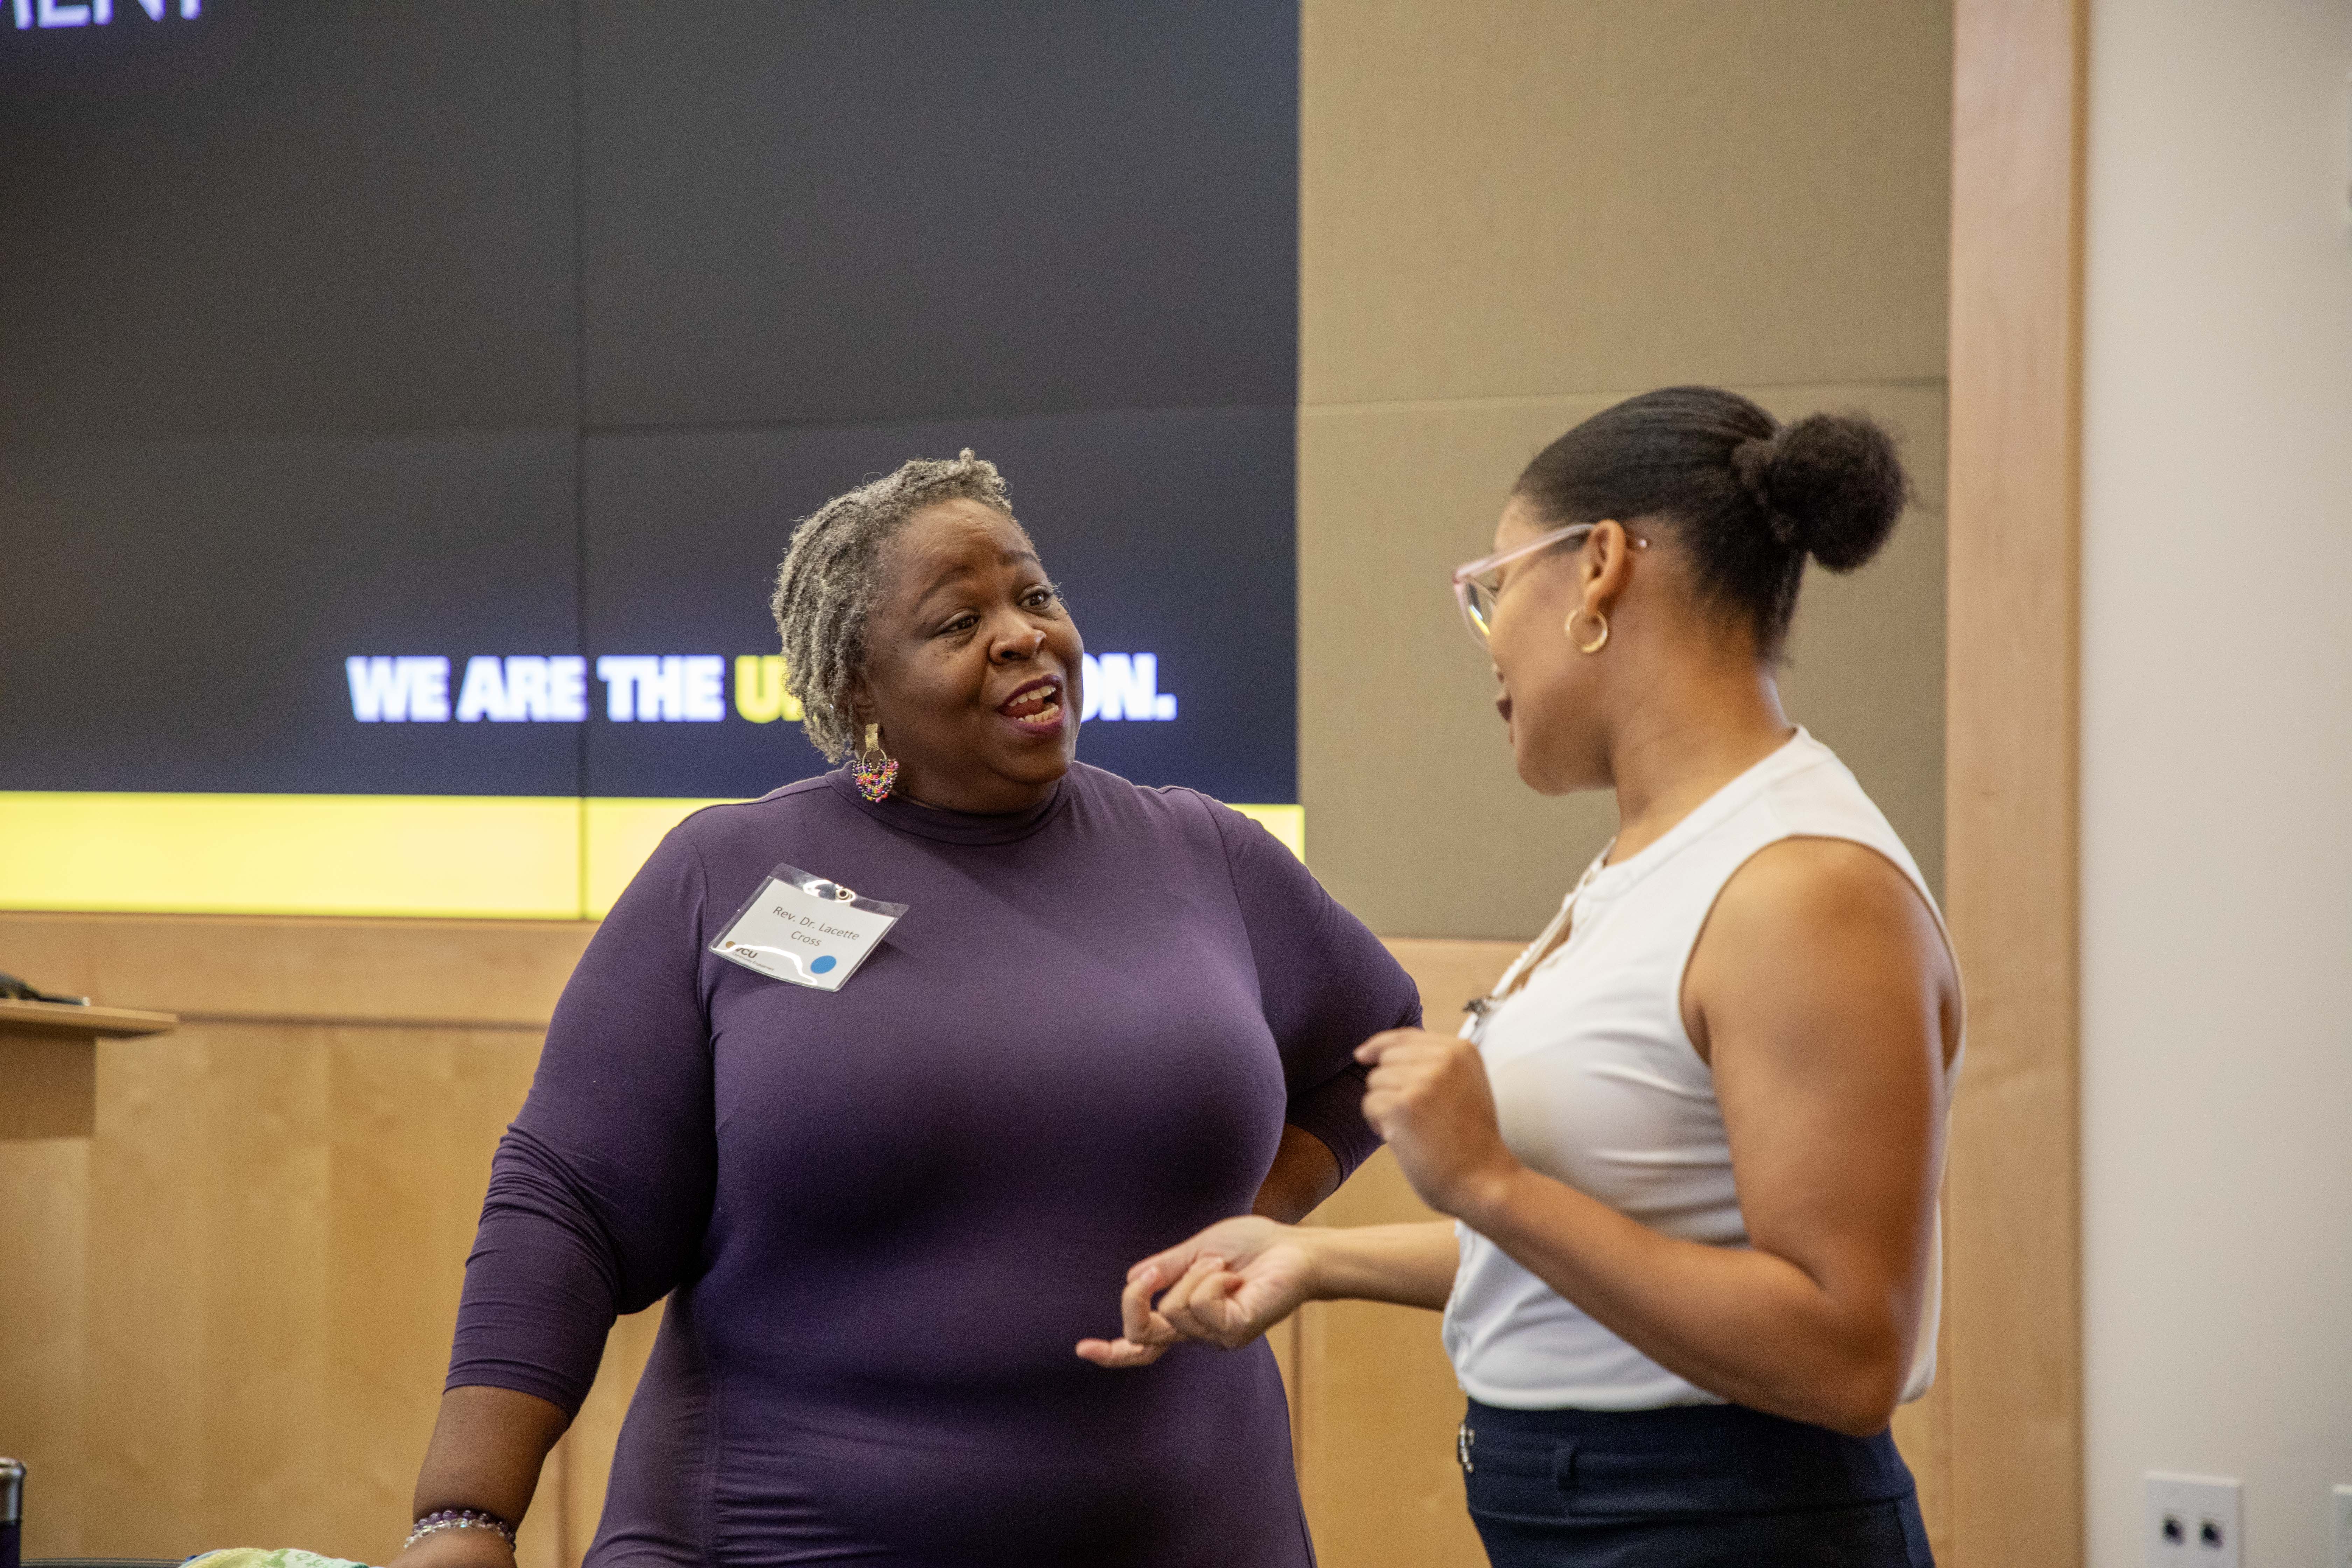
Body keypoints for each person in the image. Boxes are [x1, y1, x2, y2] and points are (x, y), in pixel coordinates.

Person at [393, 451, 1419, 1568]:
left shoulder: (1206, 852)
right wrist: (467, 1518)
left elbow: (1371, 1054)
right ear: (857, 694)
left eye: (1034, 596)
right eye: (957, 621)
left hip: (1193, 1532)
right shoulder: (728, 871)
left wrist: (1243, 1228)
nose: (1025, 635)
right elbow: (568, 1207)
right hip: (777, 1536)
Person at [1081, 389, 1962, 1568]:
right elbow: (1622, 1245)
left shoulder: (1803, 887)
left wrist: (1490, 1180)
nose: (1491, 642)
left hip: (1723, 1523)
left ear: (1598, 569)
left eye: (1494, 590)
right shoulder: (1654, 860)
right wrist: (1316, 1259)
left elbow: (1847, 1355)